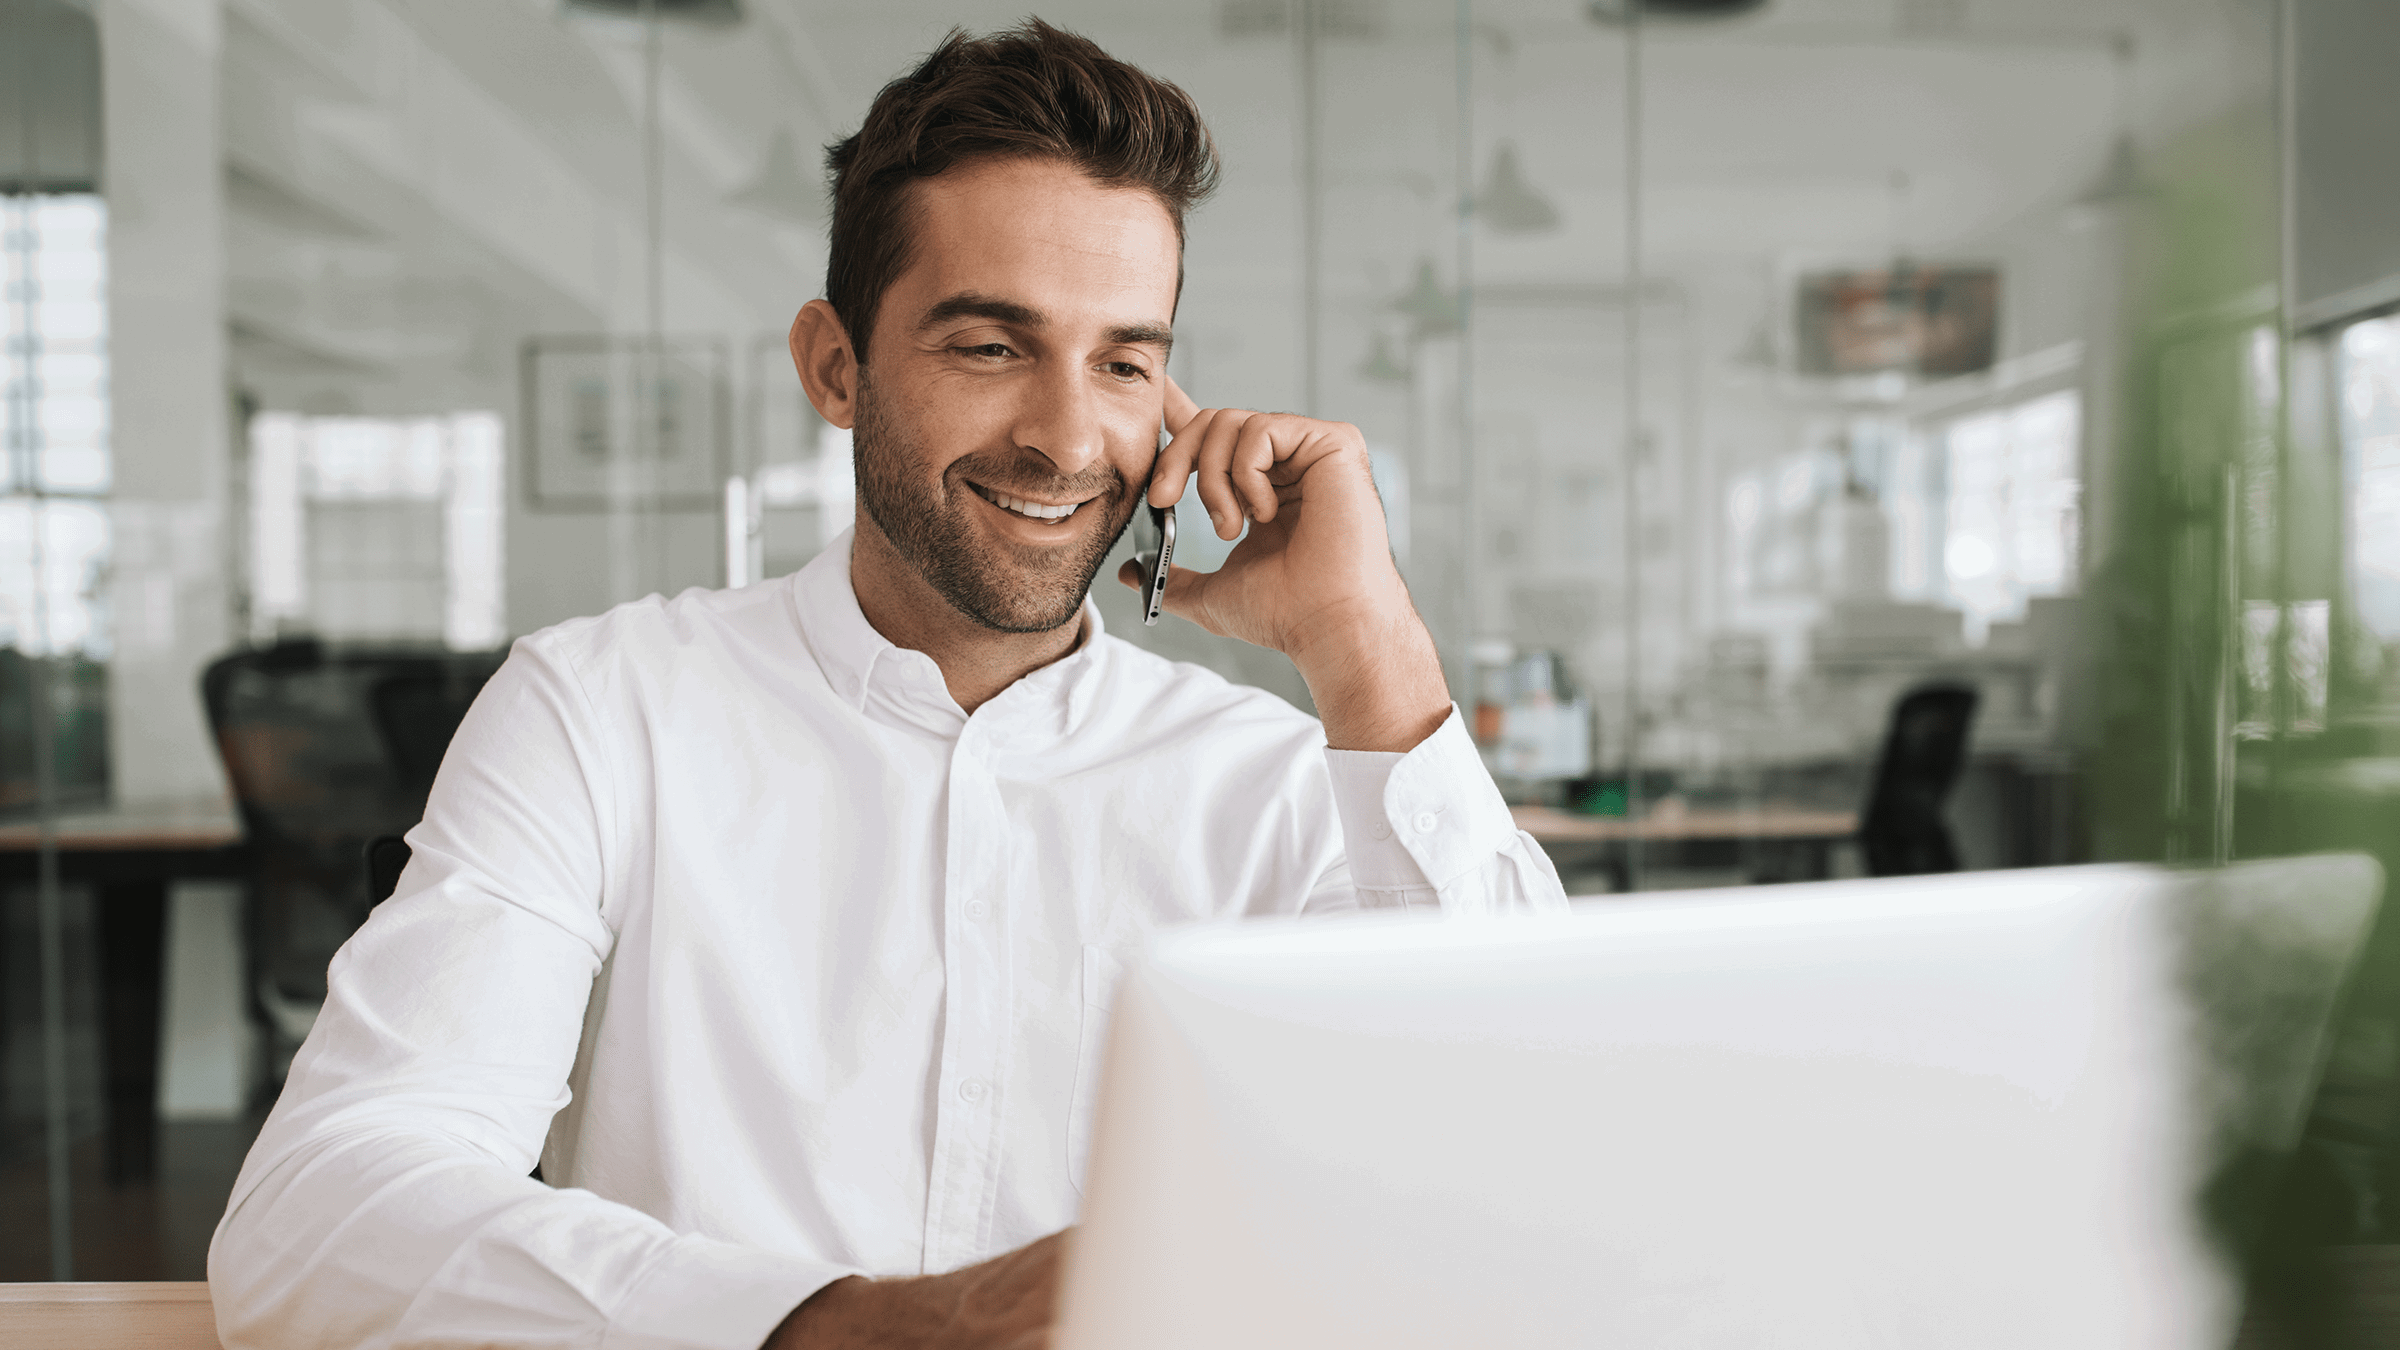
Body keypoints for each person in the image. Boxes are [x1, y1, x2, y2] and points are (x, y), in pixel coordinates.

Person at [208, 20, 1566, 1350]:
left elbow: (1533, 1192)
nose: (1064, 435)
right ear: (836, 365)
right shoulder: (604, 711)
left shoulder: (1274, 787)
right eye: (990, 346)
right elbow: (319, 1214)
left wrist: (1370, 648)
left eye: (1125, 361)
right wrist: (859, 1326)